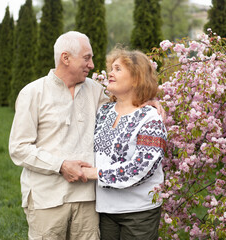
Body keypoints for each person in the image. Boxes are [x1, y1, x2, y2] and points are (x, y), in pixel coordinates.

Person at [9, 31, 165, 240]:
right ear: (66, 58)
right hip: (47, 198)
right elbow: (18, 149)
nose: (92, 65)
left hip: (88, 201)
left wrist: (150, 101)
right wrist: (61, 165)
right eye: (87, 58)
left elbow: (128, 104)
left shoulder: (95, 91)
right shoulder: (33, 93)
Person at [82, 49, 167, 240]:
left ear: (136, 78)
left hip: (139, 212)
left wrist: (95, 173)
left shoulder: (151, 118)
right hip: (106, 209)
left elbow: (142, 167)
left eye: (118, 69)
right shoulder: (103, 111)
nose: (110, 73)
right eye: (111, 68)